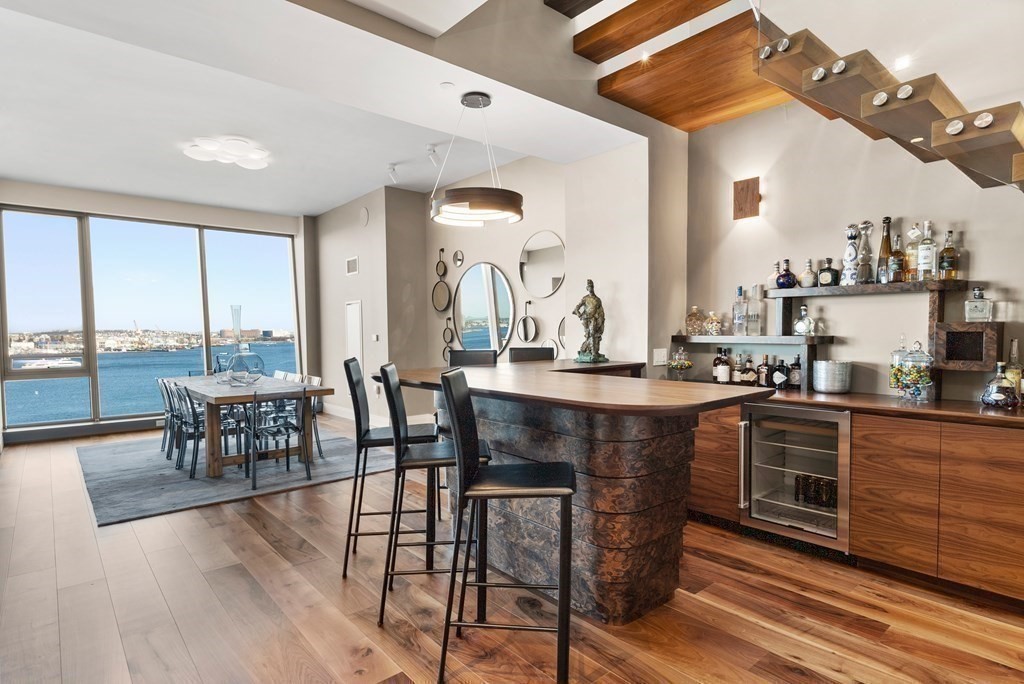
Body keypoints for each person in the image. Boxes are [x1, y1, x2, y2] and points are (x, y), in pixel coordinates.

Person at [572, 279, 607, 362]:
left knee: (594, 334)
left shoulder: (598, 300)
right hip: (586, 319)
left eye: (591, 286)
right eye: (589, 287)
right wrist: (579, 315)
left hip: (594, 318)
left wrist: (601, 321)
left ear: (593, 287)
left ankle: (592, 351)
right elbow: (576, 308)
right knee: (589, 334)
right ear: (587, 288)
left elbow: (601, 311)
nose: (590, 288)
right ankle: (589, 351)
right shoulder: (585, 298)